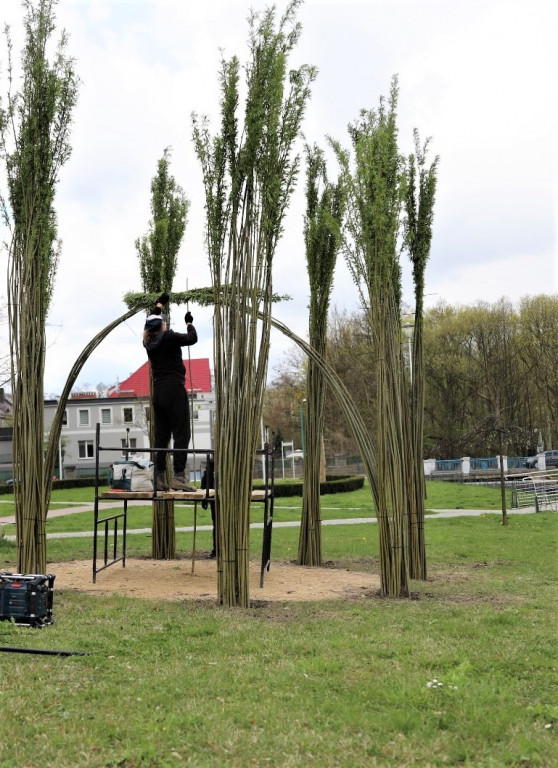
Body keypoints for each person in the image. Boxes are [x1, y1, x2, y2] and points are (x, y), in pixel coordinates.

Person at [143, 292, 198, 491]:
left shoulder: (148, 342)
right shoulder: (169, 336)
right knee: (182, 433)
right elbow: (192, 339)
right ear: (162, 325)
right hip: (174, 388)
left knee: (162, 436)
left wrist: (159, 305)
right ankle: (179, 477)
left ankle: (158, 478)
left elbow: (148, 323)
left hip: (158, 392)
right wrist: (189, 323)